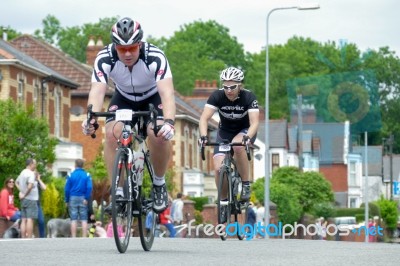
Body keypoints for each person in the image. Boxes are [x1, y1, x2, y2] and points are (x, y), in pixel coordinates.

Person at [82, 17, 176, 214]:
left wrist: (169, 122)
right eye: (121, 49)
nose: (126, 53)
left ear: (139, 44)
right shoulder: (104, 58)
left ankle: (159, 184)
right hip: (123, 98)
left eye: (132, 48)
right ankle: (117, 189)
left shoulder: (155, 56)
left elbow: (167, 93)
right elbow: (97, 91)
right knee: (111, 134)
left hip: (152, 98)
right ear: (114, 46)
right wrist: (90, 118)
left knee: (157, 134)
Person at [198, 67, 260, 221]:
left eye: (232, 87)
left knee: (238, 146)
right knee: (219, 168)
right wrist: (204, 136)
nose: (229, 90)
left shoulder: (249, 97)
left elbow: (255, 123)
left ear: (240, 85)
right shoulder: (217, 96)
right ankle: (224, 200)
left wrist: (248, 137)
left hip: (245, 130)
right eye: (225, 86)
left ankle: (245, 184)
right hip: (224, 132)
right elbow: (203, 119)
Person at [64, 159, 93, 237]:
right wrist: (86, 198)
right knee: (84, 218)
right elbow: (89, 187)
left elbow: (66, 189)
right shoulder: (87, 175)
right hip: (83, 197)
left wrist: (66, 200)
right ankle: (84, 236)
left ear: (75, 165)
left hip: (72, 198)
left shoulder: (70, 175)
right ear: (82, 165)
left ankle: (74, 236)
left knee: (73, 218)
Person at [15, 158, 40, 238]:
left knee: (24, 219)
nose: (35, 165)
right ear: (31, 164)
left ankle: (23, 237)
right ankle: (29, 237)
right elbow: (30, 186)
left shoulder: (22, 172)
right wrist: (25, 194)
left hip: (23, 200)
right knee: (30, 219)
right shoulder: (30, 174)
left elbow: (16, 182)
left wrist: (21, 192)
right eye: (34, 164)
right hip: (31, 199)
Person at [35, 171, 47, 238]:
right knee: (31, 221)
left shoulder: (38, 182)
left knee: (41, 221)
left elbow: (44, 188)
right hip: (31, 204)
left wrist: (39, 179)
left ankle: (42, 237)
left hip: (38, 204)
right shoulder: (30, 182)